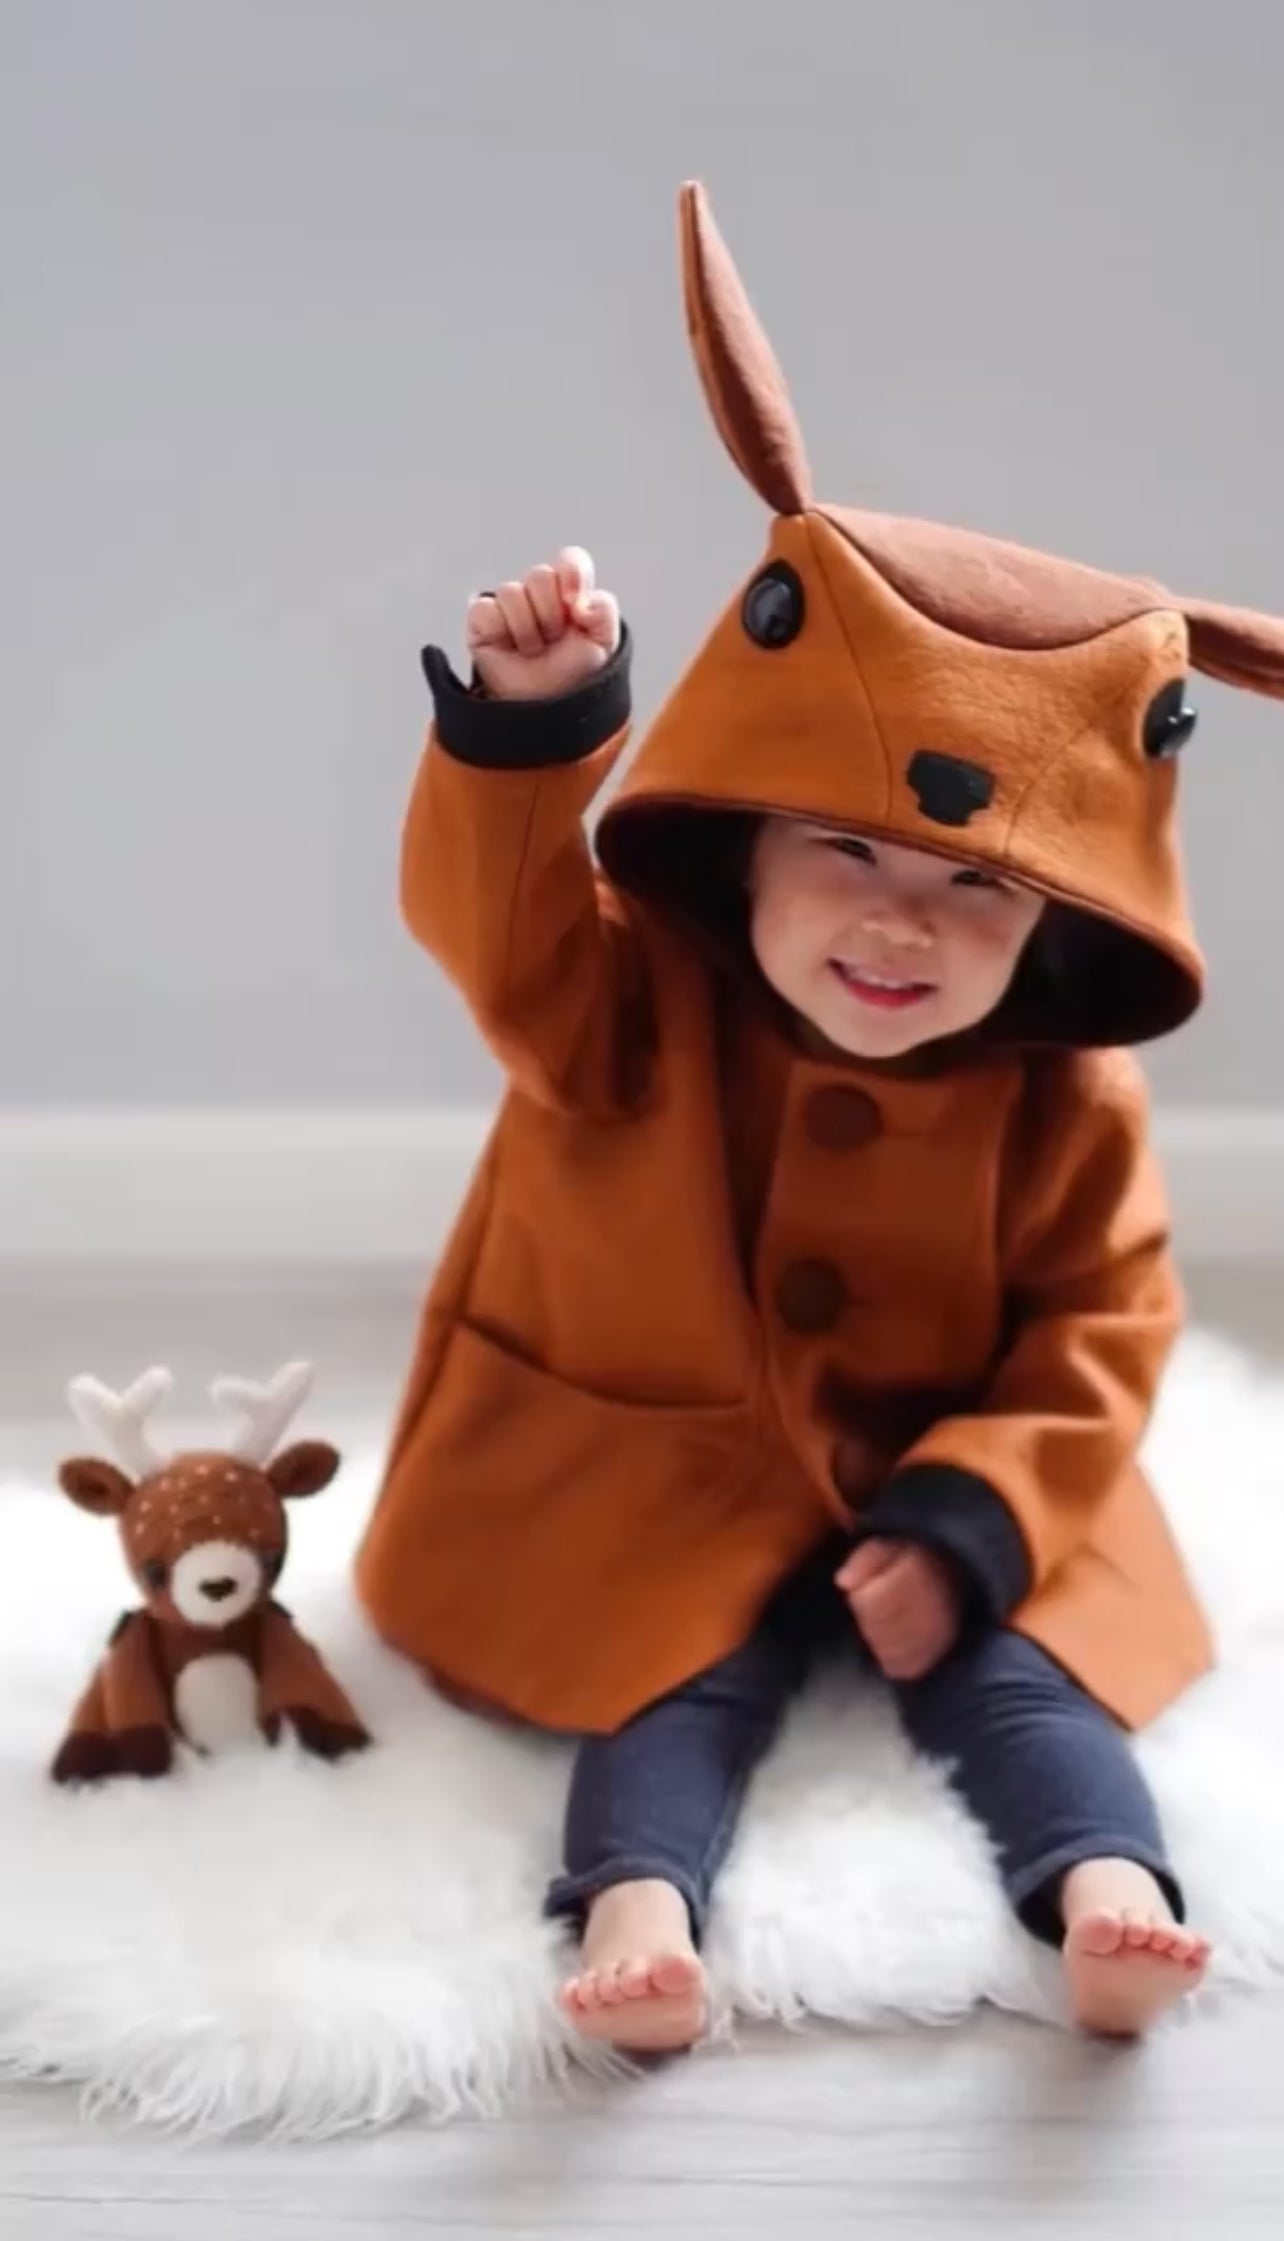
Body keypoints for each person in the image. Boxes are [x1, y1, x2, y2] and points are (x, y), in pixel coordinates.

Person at [356, 183, 1284, 2047]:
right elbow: (499, 928)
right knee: (662, 1681)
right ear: (745, 845)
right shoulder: (633, 1002)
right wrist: (539, 728)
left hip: (936, 1481)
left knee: (1032, 1689)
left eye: (973, 894)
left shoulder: (1064, 1094)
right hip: (651, 1472)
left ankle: (1107, 1896)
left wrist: (971, 1522)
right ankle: (636, 1914)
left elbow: (1108, 1333)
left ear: (1051, 933)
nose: (895, 923)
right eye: (847, 854)